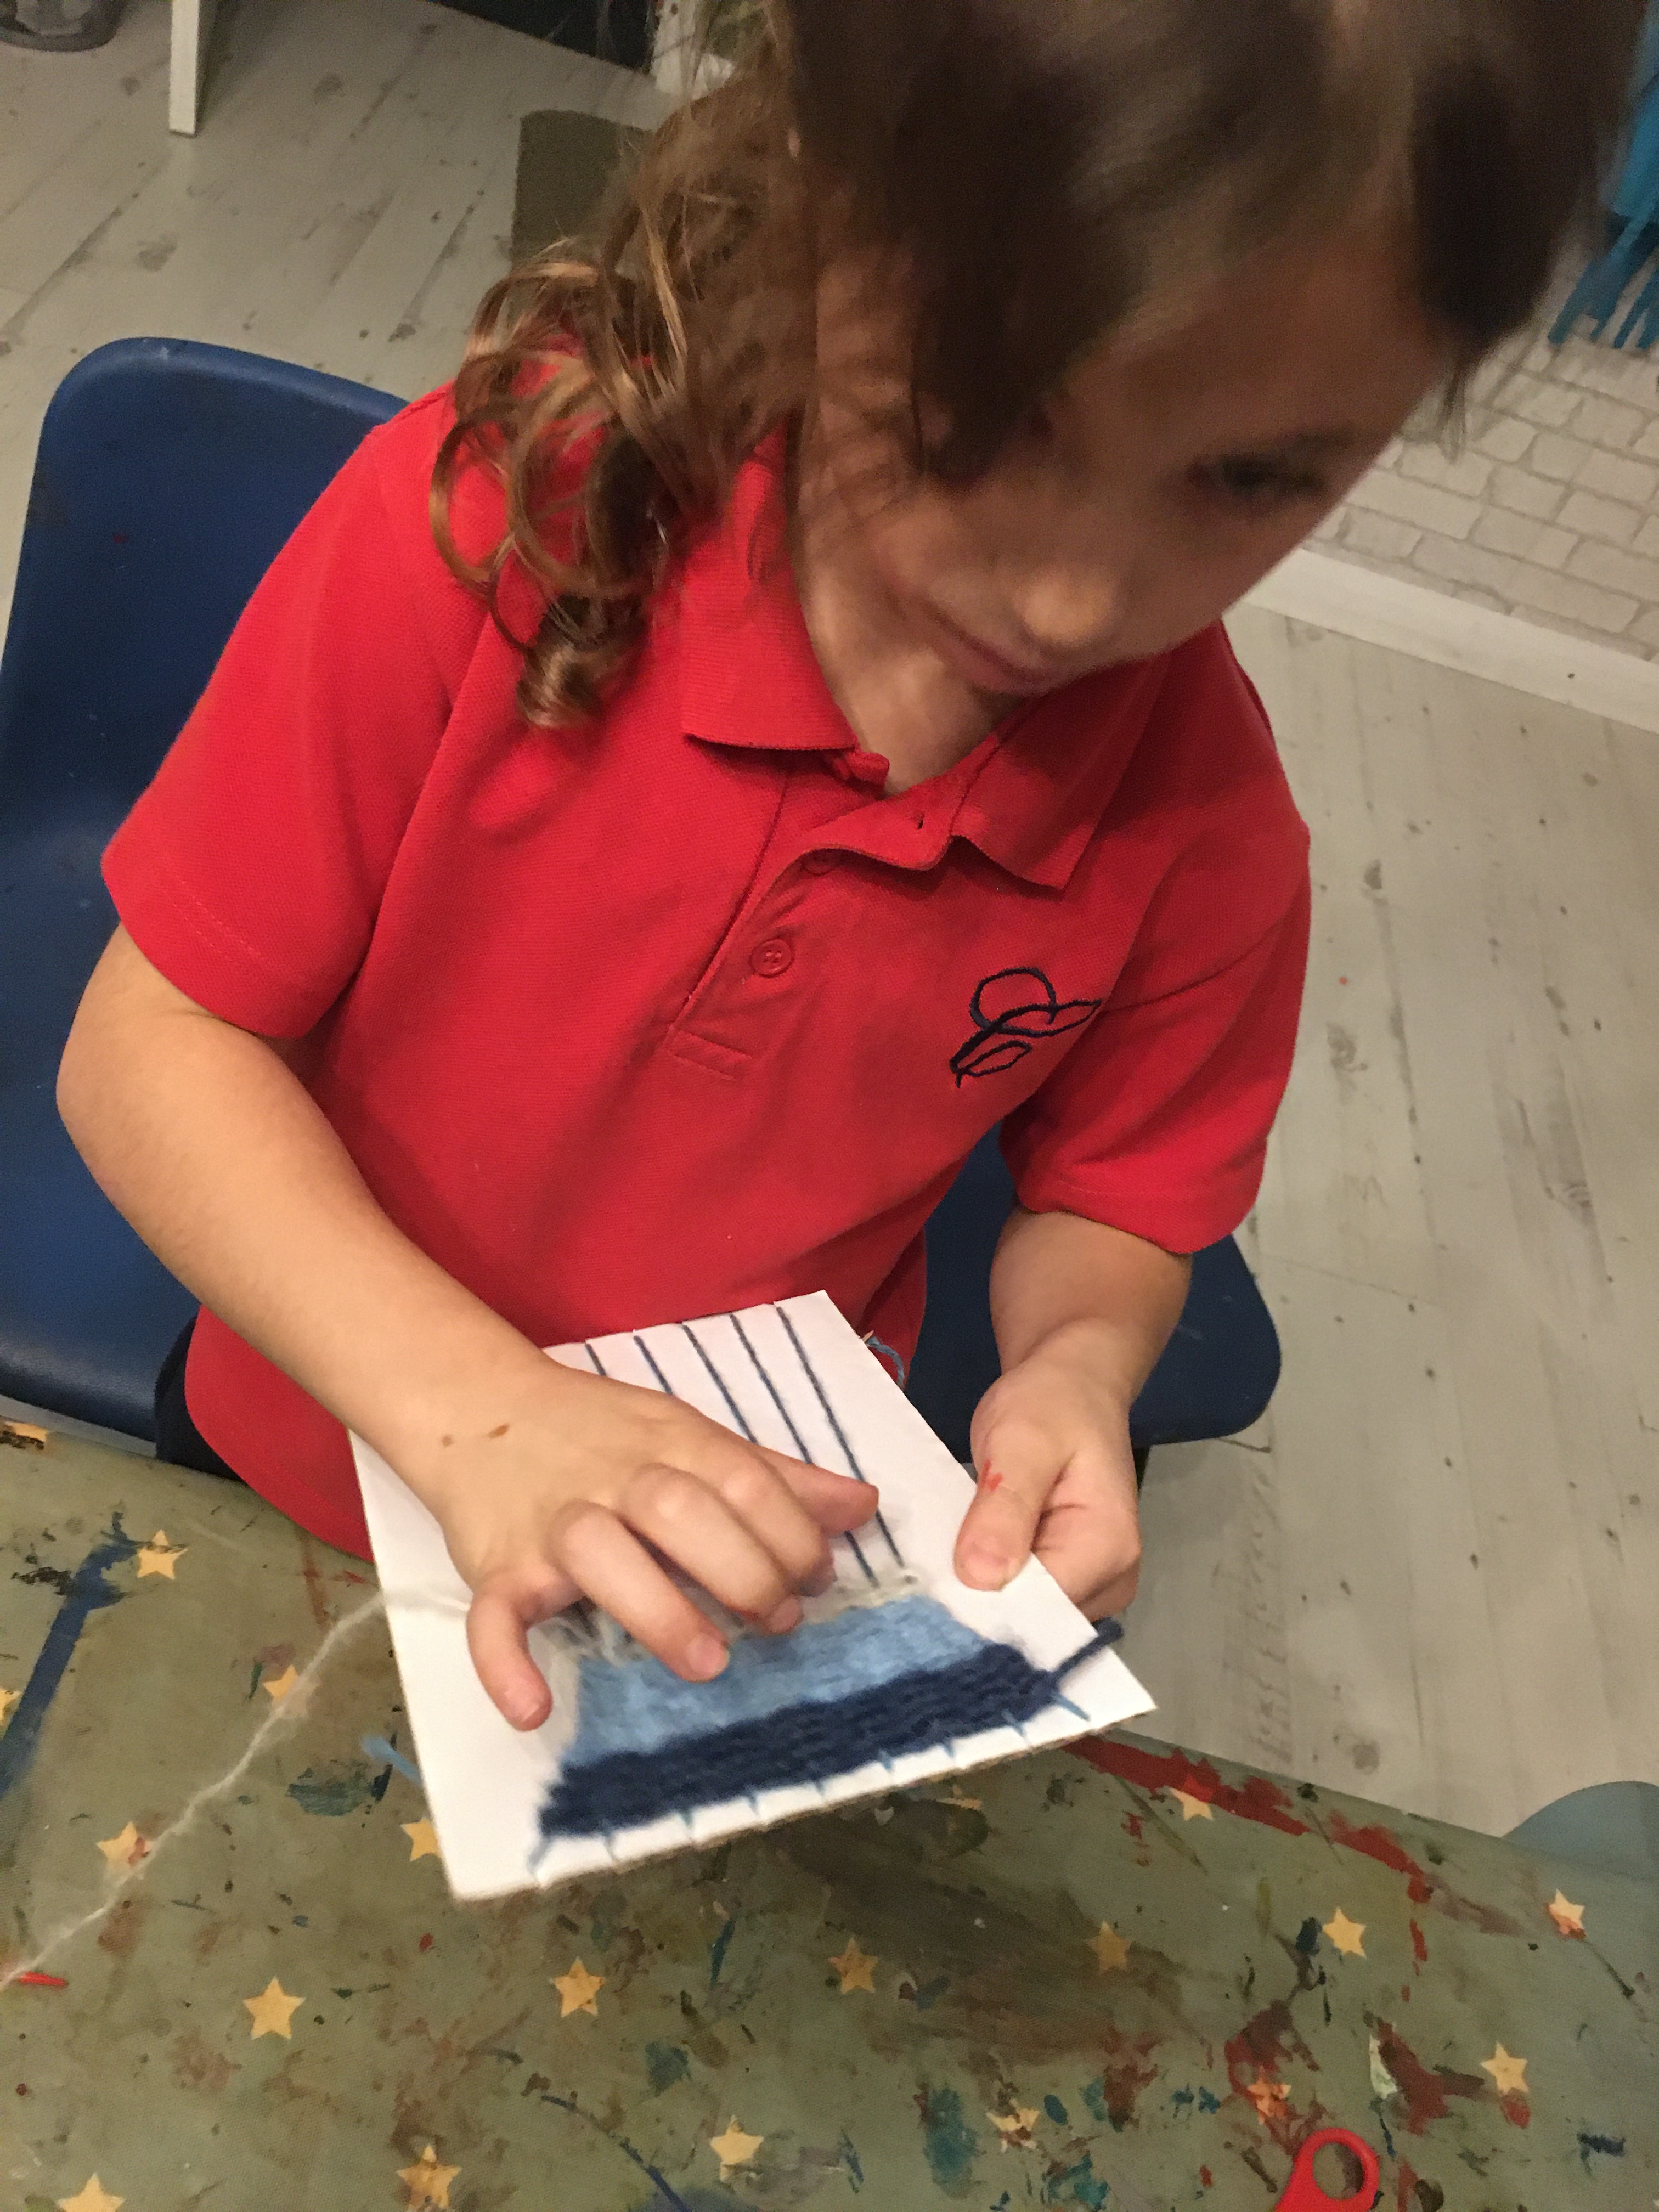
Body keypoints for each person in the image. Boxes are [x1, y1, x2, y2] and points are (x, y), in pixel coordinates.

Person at [59, 0, 1643, 1731]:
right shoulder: (507, 521)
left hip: (717, 1568)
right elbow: (149, 1050)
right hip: (307, 1450)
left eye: (1252, 476)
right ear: (823, 193)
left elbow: (1114, 1202)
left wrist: (1077, 1365)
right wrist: (482, 1420)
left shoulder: (1208, 842)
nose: (1076, 598)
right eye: (989, 418)